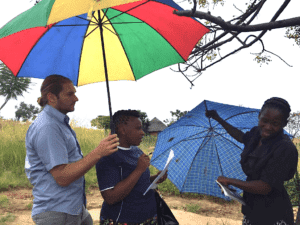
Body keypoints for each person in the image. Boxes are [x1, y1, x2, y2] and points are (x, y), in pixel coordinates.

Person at [25, 75, 119, 225]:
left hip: (73, 209)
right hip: (58, 213)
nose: (76, 98)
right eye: (70, 94)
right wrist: (99, 152)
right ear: (51, 97)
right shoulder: (48, 127)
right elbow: (62, 176)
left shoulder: (58, 123)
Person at [206, 97, 298, 225]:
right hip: (252, 210)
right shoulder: (256, 134)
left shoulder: (285, 148)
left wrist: (230, 181)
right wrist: (218, 119)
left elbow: (265, 187)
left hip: (274, 215)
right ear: (259, 116)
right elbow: (242, 137)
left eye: (275, 123)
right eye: (264, 121)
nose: (268, 127)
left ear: (284, 123)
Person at [96, 110, 168, 225]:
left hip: (147, 217)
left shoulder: (136, 150)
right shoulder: (108, 156)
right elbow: (110, 197)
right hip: (124, 220)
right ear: (122, 130)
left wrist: (154, 178)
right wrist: (139, 170)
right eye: (138, 128)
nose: (143, 133)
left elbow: (136, 183)